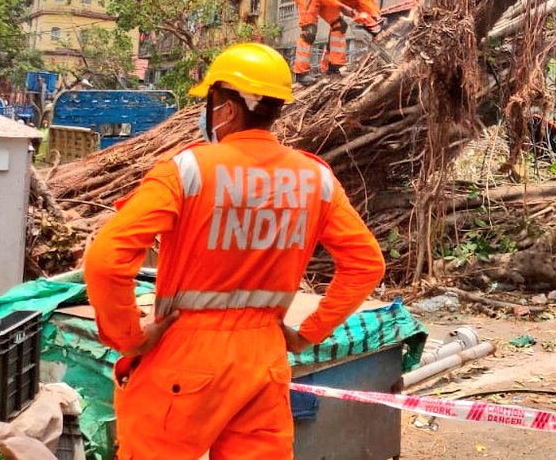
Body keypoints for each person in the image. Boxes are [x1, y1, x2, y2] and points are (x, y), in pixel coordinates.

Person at [83, 43, 385, 460]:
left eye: (209, 103)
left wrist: (129, 338)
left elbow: (105, 260)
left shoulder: (186, 171)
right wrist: (308, 334)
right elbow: (366, 265)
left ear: (225, 108)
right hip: (264, 356)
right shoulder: (317, 179)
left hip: (184, 352)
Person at [292, 0, 381, 84]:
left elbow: (364, 0)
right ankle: (301, 73)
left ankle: (333, 66)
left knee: (339, 25)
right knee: (309, 32)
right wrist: (342, 7)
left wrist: (375, 17)